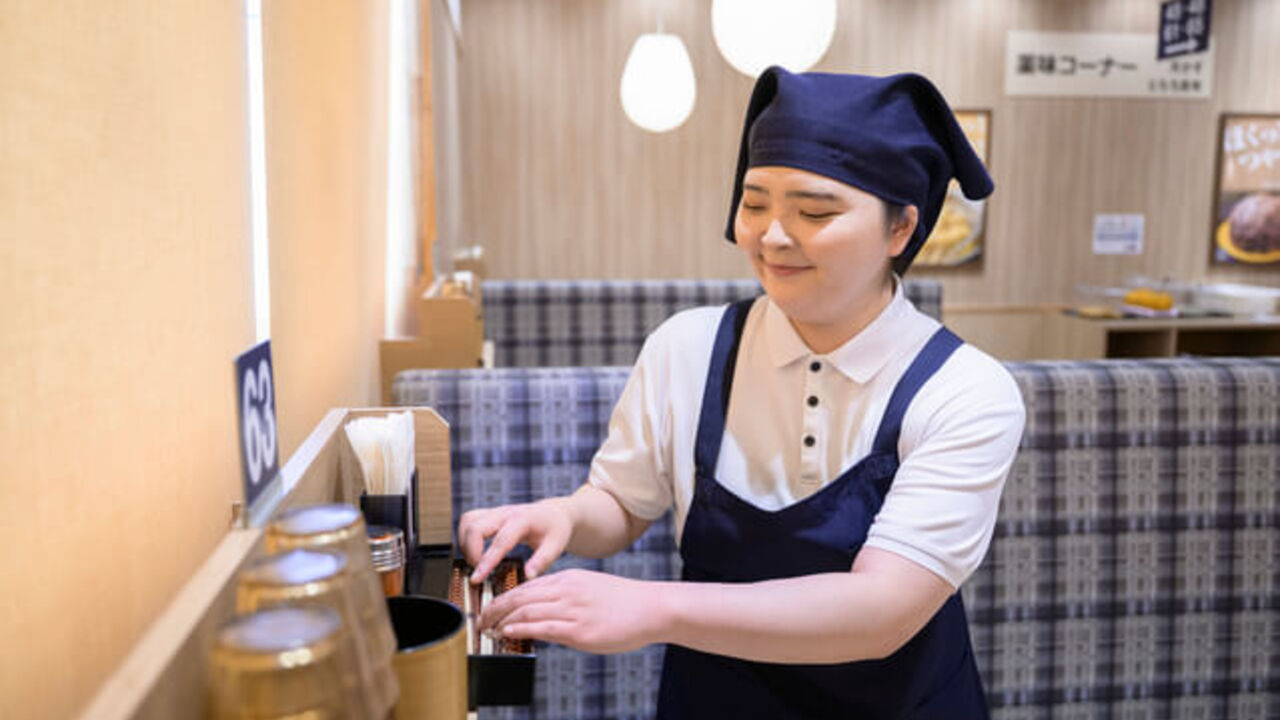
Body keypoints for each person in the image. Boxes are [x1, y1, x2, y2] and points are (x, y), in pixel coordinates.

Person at [461, 66, 1026, 718]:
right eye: (755, 203)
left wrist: (652, 607)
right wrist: (564, 516)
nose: (774, 235)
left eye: (814, 211)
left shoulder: (966, 392)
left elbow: (881, 610)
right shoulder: (688, 347)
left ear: (901, 229)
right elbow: (623, 500)